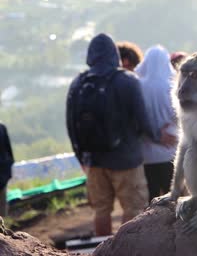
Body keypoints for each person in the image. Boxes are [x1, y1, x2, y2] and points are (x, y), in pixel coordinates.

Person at [66, 33, 164, 236]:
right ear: (114, 55)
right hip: (126, 159)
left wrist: (81, 158)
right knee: (133, 209)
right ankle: (125, 249)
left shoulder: (78, 83)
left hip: (93, 160)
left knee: (101, 210)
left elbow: (71, 126)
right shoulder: (128, 80)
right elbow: (143, 119)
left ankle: (103, 249)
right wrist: (158, 136)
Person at [135, 45, 178, 201]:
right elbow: (179, 115)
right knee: (171, 198)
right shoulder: (171, 87)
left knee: (150, 198)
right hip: (170, 150)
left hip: (145, 153)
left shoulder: (138, 86)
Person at [0, 122, 14, 217]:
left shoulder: (2, 128)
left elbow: (8, 150)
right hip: (3, 171)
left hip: (2, 172)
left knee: (2, 202)